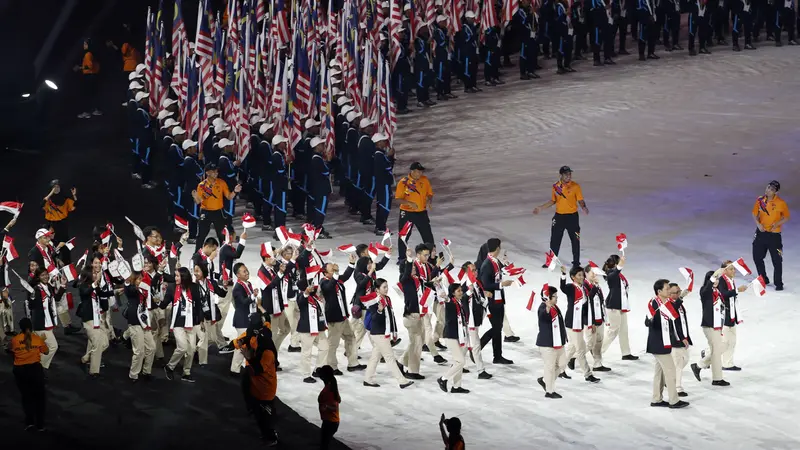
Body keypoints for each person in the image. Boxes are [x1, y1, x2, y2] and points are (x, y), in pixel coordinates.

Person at [234, 314, 279, 446]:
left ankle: (271, 437)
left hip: (265, 389)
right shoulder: (261, 335)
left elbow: (259, 369)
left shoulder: (267, 351)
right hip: (257, 385)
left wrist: (248, 357)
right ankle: (267, 431)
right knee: (259, 412)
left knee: (265, 416)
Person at [363, 278, 414, 389]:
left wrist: (394, 332)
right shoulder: (374, 301)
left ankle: (368, 378)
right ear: (377, 289)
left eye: (387, 286)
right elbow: (374, 318)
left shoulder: (387, 299)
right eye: (384, 287)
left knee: (375, 357)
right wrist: (379, 311)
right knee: (390, 357)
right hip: (378, 333)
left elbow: (391, 317)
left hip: (383, 332)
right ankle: (402, 381)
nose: (386, 289)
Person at [646, 279, 689, 409]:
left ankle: (656, 399)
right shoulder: (654, 303)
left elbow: (673, 310)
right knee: (671, 372)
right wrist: (652, 319)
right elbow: (649, 321)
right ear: (659, 291)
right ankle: (674, 400)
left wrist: (681, 297)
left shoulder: (666, 302)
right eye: (667, 289)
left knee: (660, 373)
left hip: (663, 342)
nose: (669, 290)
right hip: (658, 343)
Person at [533, 166, 587, 268]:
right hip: (559, 217)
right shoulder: (556, 187)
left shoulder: (576, 186)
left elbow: (580, 200)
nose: (568, 176)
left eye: (569, 174)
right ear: (561, 175)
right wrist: (541, 207)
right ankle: (551, 262)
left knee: (575, 240)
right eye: (566, 174)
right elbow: (553, 201)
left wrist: (584, 207)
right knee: (555, 240)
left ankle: (576, 263)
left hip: (572, 217)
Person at [321, 255, 364, 374]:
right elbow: (330, 287)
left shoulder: (337, 279)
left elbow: (345, 276)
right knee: (332, 344)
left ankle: (353, 363)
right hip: (334, 319)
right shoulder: (324, 283)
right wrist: (336, 273)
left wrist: (351, 263)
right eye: (332, 270)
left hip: (343, 317)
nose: (334, 270)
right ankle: (332, 367)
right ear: (325, 273)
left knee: (351, 337)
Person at [160, 267, 203, 382]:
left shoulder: (194, 287)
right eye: (175, 276)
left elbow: (198, 305)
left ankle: (186, 372)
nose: (175, 278)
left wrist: (200, 321)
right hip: (178, 322)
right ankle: (170, 366)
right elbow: (164, 303)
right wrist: (158, 300)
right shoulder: (172, 287)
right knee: (183, 347)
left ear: (184, 277)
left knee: (191, 349)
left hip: (191, 323)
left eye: (178, 276)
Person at [690, 270, 731, 387]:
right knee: (717, 351)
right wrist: (713, 277)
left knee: (723, 346)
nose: (717, 281)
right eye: (715, 279)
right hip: (709, 325)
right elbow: (707, 288)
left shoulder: (717, 291)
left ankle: (699, 365)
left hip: (718, 325)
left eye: (718, 279)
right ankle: (717, 378)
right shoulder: (705, 291)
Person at [560, 265, 600, 383]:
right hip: (572, 323)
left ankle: (559, 369)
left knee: (572, 348)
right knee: (581, 349)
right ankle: (588, 374)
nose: (582, 277)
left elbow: (588, 299)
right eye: (579, 275)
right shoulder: (571, 287)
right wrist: (563, 275)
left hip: (578, 322)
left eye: (582, 275)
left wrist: (595, 286)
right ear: (573, 277)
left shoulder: (583, 288)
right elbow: (562, 287)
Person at [8, 317, 49, 431]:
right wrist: (42, 341)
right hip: (35, 370)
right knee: (40, 398)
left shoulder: (15, 339)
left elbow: (10, 350)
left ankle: (29, 422)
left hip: (20, 370)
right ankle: (40, 424)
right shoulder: (36, 338)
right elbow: (46, 351)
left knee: (26, 396)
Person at [479, 238, 515, 365]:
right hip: (492, 300)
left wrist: (506, 265)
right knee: (496, 327)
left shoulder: (495, 261)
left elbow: (500, 272)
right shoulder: (487, 264)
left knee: (498, 328)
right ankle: (477, 348)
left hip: (499, 299)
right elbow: (486, 284)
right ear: (497, 248)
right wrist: (501, 285)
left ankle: (497, 356)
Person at [192, 163, 242, 252]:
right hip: (205, 212)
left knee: (222, 236)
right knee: (201, 235)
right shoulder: (201, 185)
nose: (216, 173)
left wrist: (235, 191)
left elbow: (229, 197)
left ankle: (225, 255)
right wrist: (195, 197)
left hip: (218, 212)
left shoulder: (221, 183)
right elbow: (198, 201)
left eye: (216, 171)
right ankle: (196, 256)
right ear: (207, 173)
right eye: (213, 171)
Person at [395, 162, 435, 264]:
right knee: (404, 236)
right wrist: (409, 203)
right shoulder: (403, 182)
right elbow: (398, 199)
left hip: (421, 212)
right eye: (418, 171)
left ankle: (431, 257)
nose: (420, 174)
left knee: (427, 235)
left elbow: (430, 193)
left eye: (421, 171)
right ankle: (402, 258)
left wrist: (429, 200)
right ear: (412, 171)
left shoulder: (424, 180)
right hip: (407, 213)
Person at [752, 180, 789, 291]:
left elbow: (786, 216)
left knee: (777, 260)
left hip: (774, 236)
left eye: (772, 189)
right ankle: (763, 278)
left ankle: (778, 283)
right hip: (761, 233)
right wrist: (758, 224)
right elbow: (754, 213)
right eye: (768, 187)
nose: (768, 191)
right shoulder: (760, 200)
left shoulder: (781, 203)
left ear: (776, 192)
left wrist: (777, 224)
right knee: (757, 256)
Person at [601, 255, 638, 360]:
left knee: (623, 330)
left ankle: (626, 353)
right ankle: (597, 352)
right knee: (613, 331)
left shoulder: (618, 275)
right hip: (613, 306)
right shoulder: (611, 275)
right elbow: (615, 272)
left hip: (621, 305)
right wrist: (620, 265)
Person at [28, 268, 64, 372]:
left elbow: (56, 298)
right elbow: (31, 306)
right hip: (41, 324)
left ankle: (36, 365)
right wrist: (33, 297)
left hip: (48, 322)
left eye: (46, 275)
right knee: (53, 346)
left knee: (42, 348)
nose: (45, 277)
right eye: (42, 275)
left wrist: (62, 286)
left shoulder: (48, 286)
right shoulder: (36, 289)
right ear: (38, 277)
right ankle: (39, 367)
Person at [78, 267, 112, 379]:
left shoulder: (94, 286)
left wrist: (114, 292)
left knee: (105, 343)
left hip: (97, 318)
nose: (96, 274)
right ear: (88, 274)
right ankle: (94, 371)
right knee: (97, 343)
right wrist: (95, 283)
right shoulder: (82, 286)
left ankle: (86, 357)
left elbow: (101, 294)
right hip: (89, 319)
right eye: (93, 272)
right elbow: (86, 292)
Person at [536, 284, 568, 398]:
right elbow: (543, 316)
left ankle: (544, 380)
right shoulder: (543, 308)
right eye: (554, 296)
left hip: (559, 343)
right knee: (549, 368)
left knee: (562, 365)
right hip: (547, 344)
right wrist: (547, 308)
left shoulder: (555, 307)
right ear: (547, 297)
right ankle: (549, 391)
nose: (556, 298)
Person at [438, 283, 470, 394]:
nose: (461, 292)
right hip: (451, 336)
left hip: (458, 335)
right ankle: (443, 379)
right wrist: (446, 298)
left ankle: (456, 387)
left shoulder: (459, 302)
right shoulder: (451, 303)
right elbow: (448, 302)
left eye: (461, 290)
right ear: (453, 293)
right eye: (458, 291)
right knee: (461, 362)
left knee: (458, 361)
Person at [717, 260, 748, 371]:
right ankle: (707, 354)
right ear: (724, 270)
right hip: (725, 314)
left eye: (734, 268)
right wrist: (737, 290)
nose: (734, 270)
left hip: (732, 313)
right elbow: (724, 295)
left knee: (732, 341)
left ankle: (728, 363)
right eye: (731, 269)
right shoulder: (721, 280)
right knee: (725, 341)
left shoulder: (730, 279)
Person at [230, 263, 261, 375]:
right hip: (242, 321)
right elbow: (242, 303)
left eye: (247, 270)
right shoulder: (237, 288)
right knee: (241, 346)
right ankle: (234, 370)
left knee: (247, 345)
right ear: (238, 275)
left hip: (248, 319)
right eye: (244, 271)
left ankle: (238, 368)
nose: (247, 272)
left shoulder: (247, 284)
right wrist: (253, 296)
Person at [42, 180, 78, 265]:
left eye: (58, 187)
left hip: (62, 225)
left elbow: (74, 206)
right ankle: (52, 265)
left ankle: (67, 266)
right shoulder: (48, 200)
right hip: (51, 225)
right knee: (50, 246)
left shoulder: (65, 199)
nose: (56, 189)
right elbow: (41, 204)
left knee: (64, 246)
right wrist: (51, 193)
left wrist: (74, 195)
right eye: (54, 187)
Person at [667, 282, 692, 397]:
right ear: (668, 293)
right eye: (676, 292)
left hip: (684, 336)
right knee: (678, 364)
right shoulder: (668, 305)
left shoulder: (678, 304)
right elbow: (673, 309)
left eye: (679, 291)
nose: (678, 293)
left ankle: (669, 379)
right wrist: (681, 338)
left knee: (684, 360)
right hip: (676, 339)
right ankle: (677, 388)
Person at [584, 265, 610, 372]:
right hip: (591, 319)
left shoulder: (596, 285)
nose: (594, 275)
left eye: (595, 273)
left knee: (599, 341)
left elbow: (601, 302)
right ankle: (574, 357)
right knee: (591, 343)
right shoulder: (584, 286)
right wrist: (592, 321)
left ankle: (597, 364)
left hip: (600, 317)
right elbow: (588, 301)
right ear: (586, 273)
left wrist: (604, 317)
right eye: (592, 273)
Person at [73, 38, 102, 118]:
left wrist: (79, 68)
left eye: (85, 44)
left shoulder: (88, 54)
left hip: (89, 76)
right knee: (92, 93)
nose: (84, 45)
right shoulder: (93, 53)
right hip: (93, 75)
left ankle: (87, 112)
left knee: (87, 94)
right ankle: (94, 110)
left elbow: (89, 66)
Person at [317, 365, 341, 450]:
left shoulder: (329, 390)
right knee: (324, 444)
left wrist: (325, 406)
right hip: (331, 421)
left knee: (324, 445)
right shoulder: (332, 385)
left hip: (330, 422)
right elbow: (339, 400)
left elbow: (334, 407)